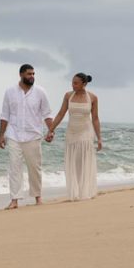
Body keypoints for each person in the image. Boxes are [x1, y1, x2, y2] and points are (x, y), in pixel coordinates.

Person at [0, 64, 54, 210]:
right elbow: (5, 115)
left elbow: (47, 113)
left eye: (34, 74)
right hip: (13, 134)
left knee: (34, 168)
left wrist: (51, 130)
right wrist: (1, 135)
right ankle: (14, 200)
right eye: (29, 74)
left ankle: (38, 197)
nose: (32, 77)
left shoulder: (40, 92)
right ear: (21, 74)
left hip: (33, 135)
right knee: (14, 167)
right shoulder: (10, 92)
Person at [48, 73, 102, 201]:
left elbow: (95, 119)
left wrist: (99, 138)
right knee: (73, 162)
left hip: (86, 132)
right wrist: (51, 130)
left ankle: (85, 192)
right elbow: (61, 113)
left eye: (76, 83)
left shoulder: (93, 97)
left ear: (84, 84)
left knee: (83, 161)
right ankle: (75, 192)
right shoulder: (68, 96)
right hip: (71, 132)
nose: (73, 85)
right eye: (72, 82)